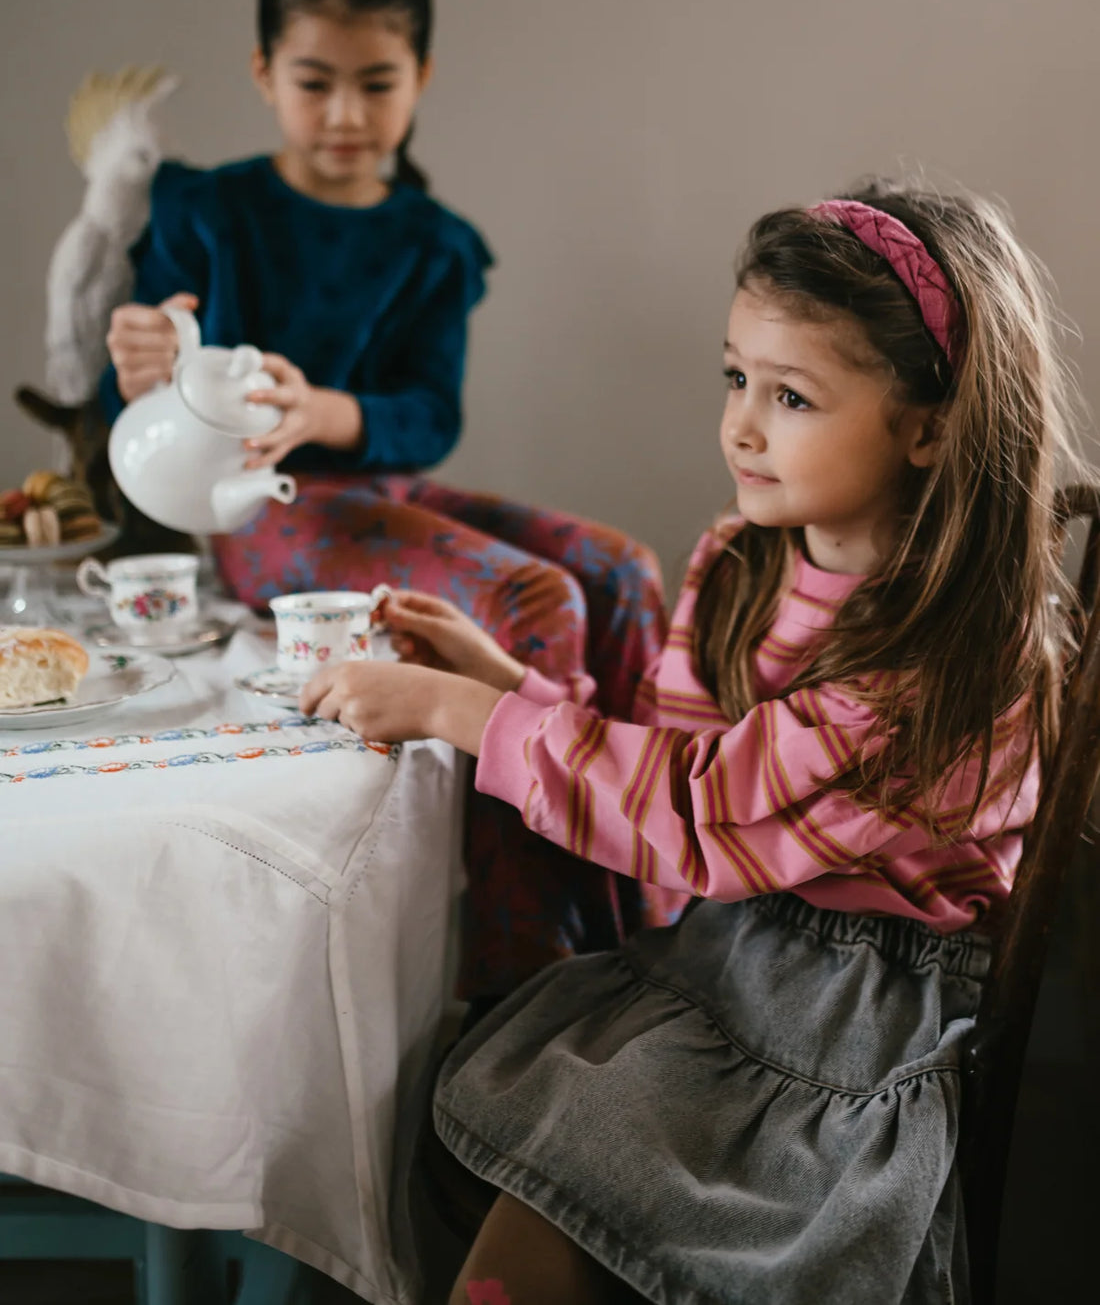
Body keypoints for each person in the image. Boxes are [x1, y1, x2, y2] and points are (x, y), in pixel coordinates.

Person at [299, 179, 1085, 1304]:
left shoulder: (936, 664)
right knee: (533, 1203)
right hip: (723, 956)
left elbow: (700, 814)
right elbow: (680, 781)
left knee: (583, 1194)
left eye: (792, 396)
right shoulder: (740, 563)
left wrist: (461, 716)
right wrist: (504, 680)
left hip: (846, 1022)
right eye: (734, 377)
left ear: (926, 424)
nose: (740, 425)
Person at [99, 0, 669, 1001]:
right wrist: (139, 353)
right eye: (316, 81)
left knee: (622, 568)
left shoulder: (430, 244)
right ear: (264, 71)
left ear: (421, 74)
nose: (347, 112)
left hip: (379, 487)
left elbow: (427, 414)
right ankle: (524, 977)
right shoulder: (208, 214)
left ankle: (636, 907)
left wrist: (332, 412)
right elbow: (145, 362)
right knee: (538, 601)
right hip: (265, 512)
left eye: (377, 80)